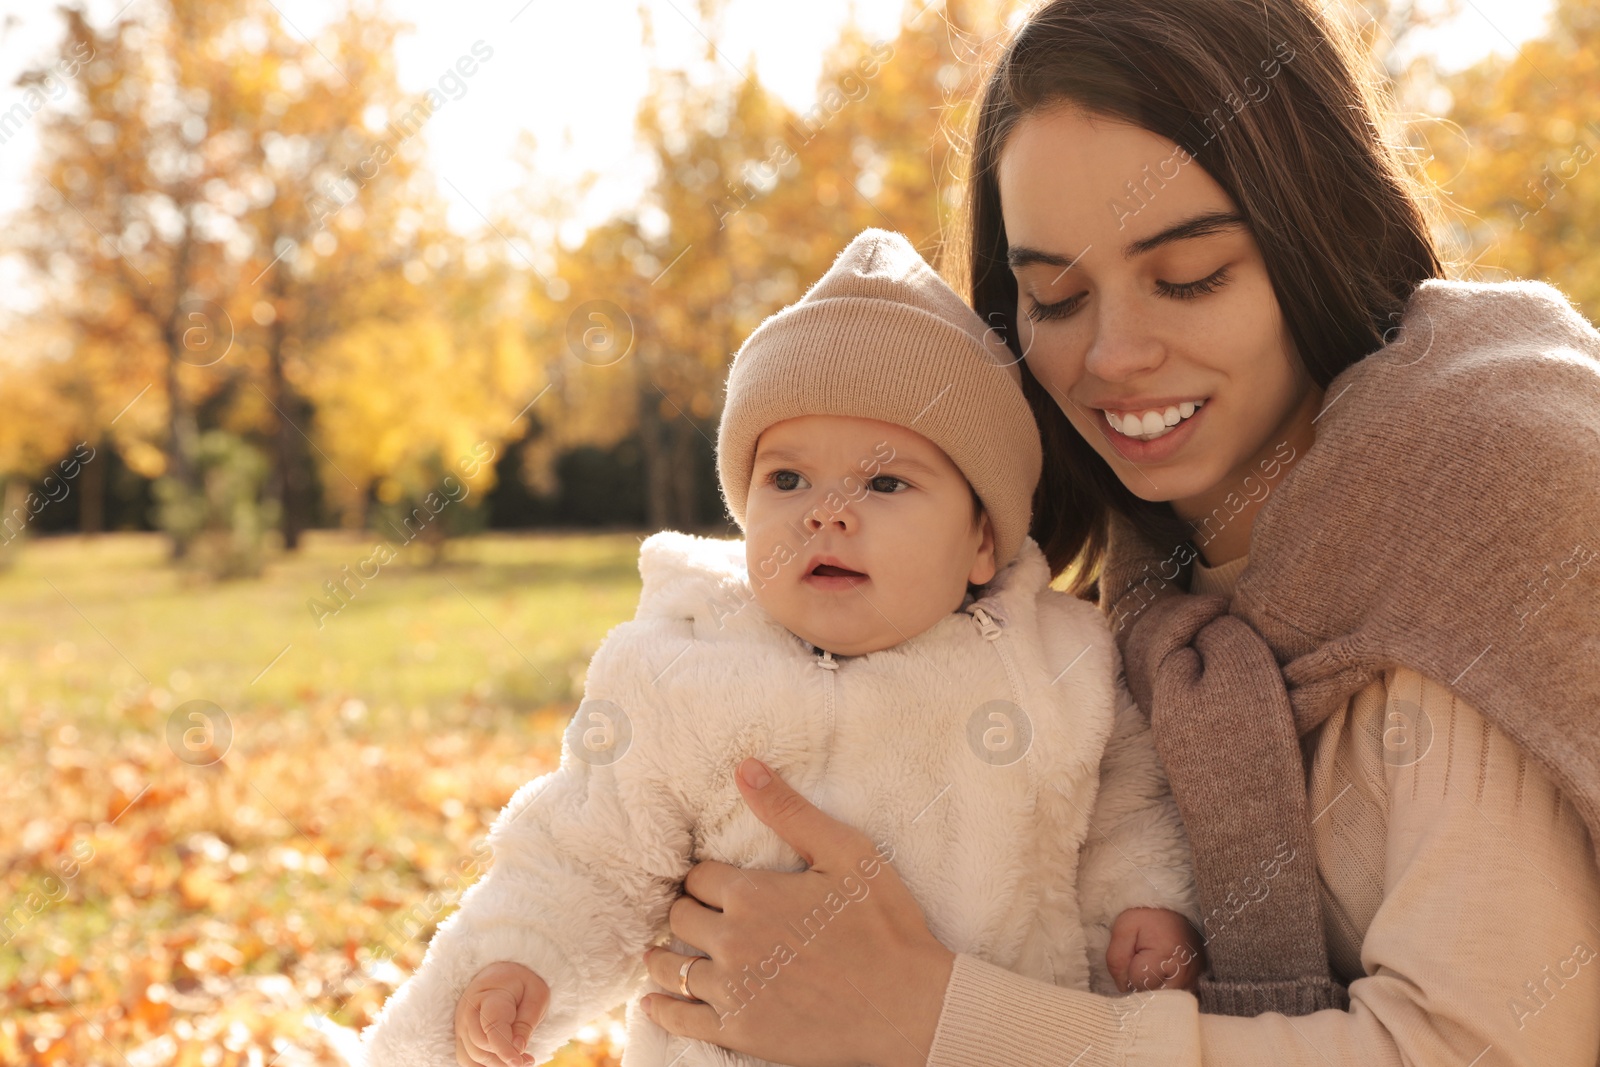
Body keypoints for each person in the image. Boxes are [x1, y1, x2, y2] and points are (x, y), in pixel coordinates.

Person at [633, 0, 1600, 1065]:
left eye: (1189, 275)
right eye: (1054, 295)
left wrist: (933, 1019)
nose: (1113, 354)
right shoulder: (1122, 623)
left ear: (1318, 231)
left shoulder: (1480, 503)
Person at [359, 228, 1204, 1067]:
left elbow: (1125, 809)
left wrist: (1145, 904)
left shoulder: (1060, 663)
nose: (825, 512)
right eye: (788, 479)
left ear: (984, 540)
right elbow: (590, 853)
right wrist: (521, 958)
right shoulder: (680, 671)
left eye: (885, 482)